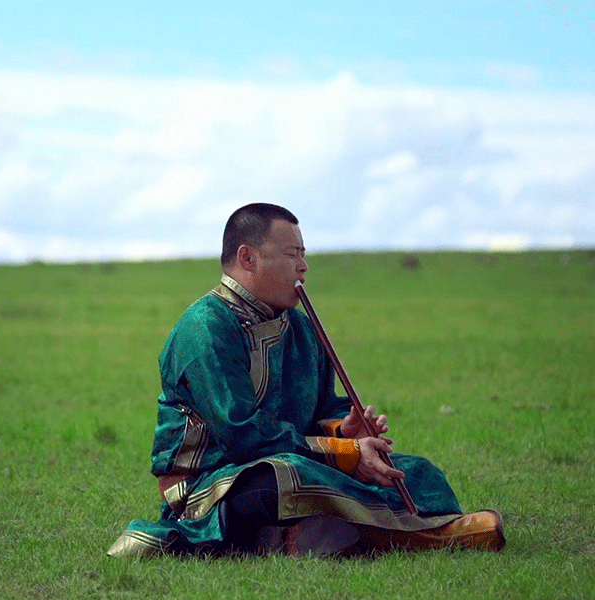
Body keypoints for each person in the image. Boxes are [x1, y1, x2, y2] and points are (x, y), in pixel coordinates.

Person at [108, 203, 505, 557]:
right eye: (291, 254)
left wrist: (345, 430)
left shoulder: (298, 326)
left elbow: (321, 409)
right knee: (284, 477)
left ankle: (303, 537)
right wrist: (344, 455)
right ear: (247, 258)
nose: (303, 266)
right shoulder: (204, 328)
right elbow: (243, 435)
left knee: (415, 471)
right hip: (211, 486)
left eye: (304, 255)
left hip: (295, 456)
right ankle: (426, 537)